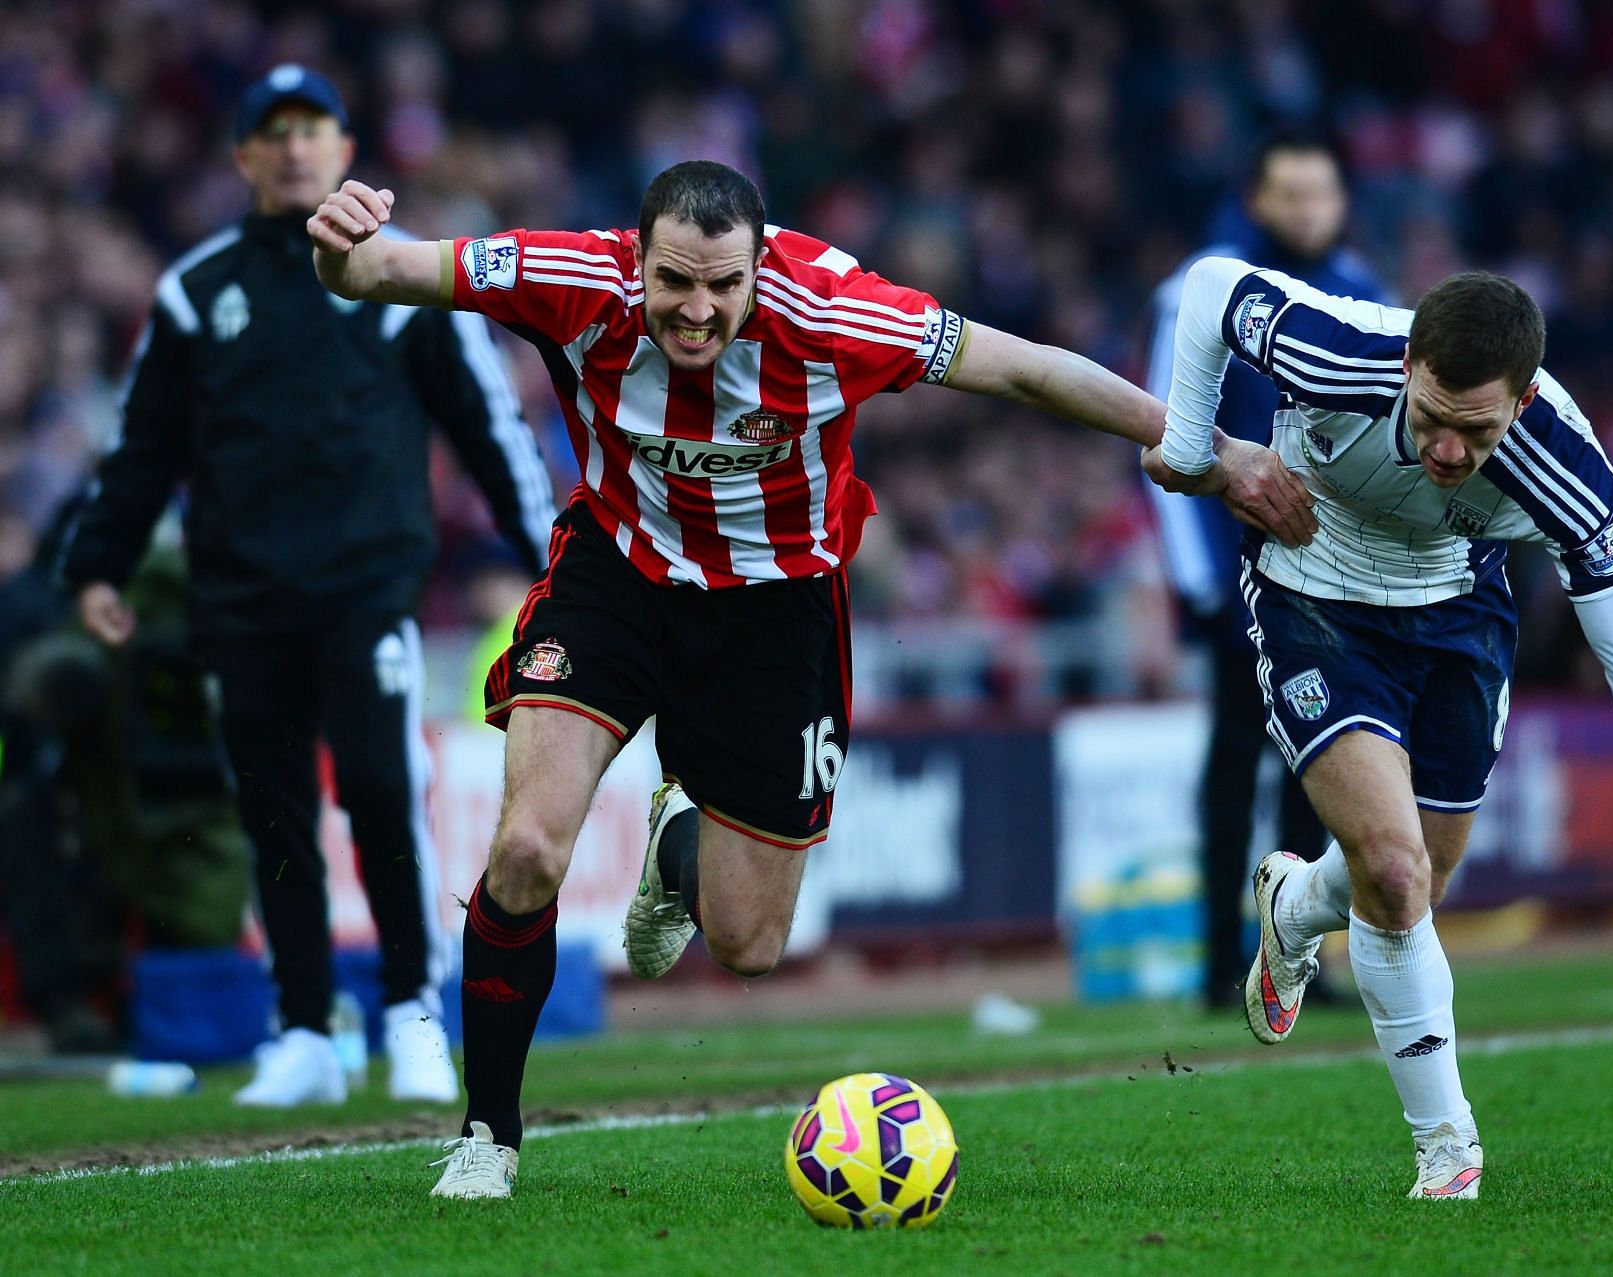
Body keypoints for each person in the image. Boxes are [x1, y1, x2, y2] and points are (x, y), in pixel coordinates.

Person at [307, 158, 1293, 1198]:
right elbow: (375, 275)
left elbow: (1033, 370)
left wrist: (1212, 450)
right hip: (616, 576)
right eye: (674, 281)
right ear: (635, 258)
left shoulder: (837, 312)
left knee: (749, 942)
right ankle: (488, 1136)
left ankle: (677, 841)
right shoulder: (569, 277)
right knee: (525, 844)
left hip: (776, 612)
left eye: (721, 286)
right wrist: (341, 243)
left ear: (759, 266)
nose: (695, 310)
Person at [1144, 260, 1613, 1200]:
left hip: (1458, 612)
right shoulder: (1338, 348)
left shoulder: (1566, 464)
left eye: (1477, 430)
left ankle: (1296, 907)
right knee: (1393, 872)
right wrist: (1189, 444)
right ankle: (1447, 1148)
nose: (1450, 451)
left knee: (1419, 873)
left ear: (1526, 398)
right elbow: (1212, 287)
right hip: (1313, 589)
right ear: (1411, 362)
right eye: (1431, 419)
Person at [58, 65, 556, 1107]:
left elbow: (486, 424)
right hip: (239, 597)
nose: (293, 148)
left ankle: (413, 1009)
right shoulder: (196, 292)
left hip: (365, 587)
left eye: (313, 130)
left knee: (382, 790)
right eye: (272, 132)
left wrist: (555, 552)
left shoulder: (404, 276)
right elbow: (140, 447)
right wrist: (98, 561)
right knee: (275, 815)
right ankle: (303, 1028)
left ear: (344, 150)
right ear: (243, 157)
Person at [1142, 129, 1390, 1010]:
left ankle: (1291, 956)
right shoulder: (1200, 289)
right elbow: (1163, 429)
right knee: (1235, 762)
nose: (1307, 210)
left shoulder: (1364, 291)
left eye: (1321, 193)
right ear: (1256, 200)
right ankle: (1217, 962)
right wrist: (1202, 583)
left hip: (1334, 578)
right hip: (1237, 576)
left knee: (1314, 764)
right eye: (1290, 193)